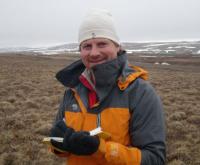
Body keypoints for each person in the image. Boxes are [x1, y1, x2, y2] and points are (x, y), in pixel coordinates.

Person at [49, 9, 166, 165]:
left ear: (117, 46)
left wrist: (101, 148)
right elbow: (61, 149)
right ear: (80, 51)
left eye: (102, 44)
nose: (94, 52)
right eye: (87, 46)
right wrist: (59, 145)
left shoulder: (140, 92)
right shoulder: (72, 90)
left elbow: (154, 159)